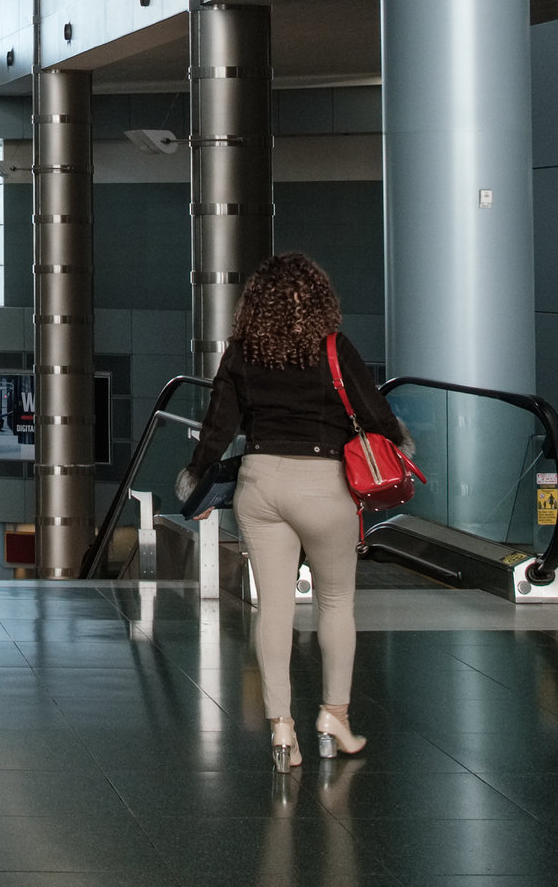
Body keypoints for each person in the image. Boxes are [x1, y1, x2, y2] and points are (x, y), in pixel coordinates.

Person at [178, 251, 411, 771]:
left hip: (259, 486)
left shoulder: (242, 351)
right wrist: (399, 442)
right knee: (334, 603)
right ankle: (334, 718)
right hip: (323, 484)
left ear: (255, 305)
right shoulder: (334, 348)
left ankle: (282, 729)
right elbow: (377, 414)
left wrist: (196, 482)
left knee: (275, 609)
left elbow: (217, 425)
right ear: (320, 300)